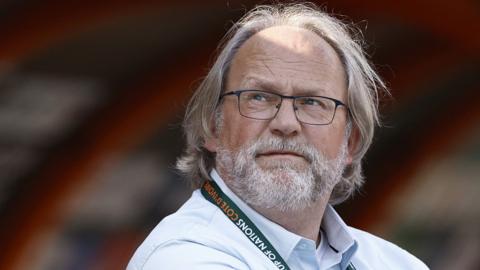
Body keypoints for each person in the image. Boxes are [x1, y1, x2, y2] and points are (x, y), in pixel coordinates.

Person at [127, 3, 429, 270]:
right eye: (258, 97)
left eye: (312, 102)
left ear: (350, 141)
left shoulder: (396, 263)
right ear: (212, 128)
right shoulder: (182, 257)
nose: (286, 123)